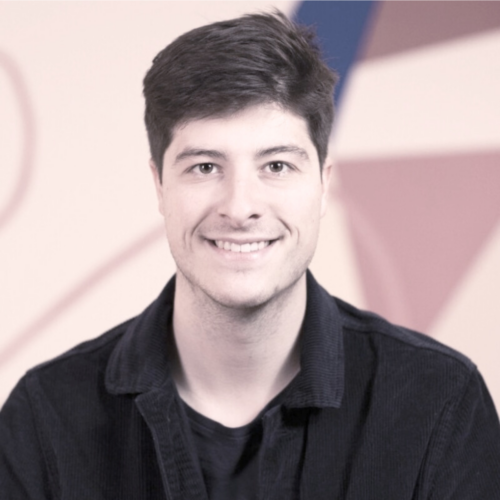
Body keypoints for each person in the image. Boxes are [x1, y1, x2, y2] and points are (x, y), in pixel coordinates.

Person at [1, 11, 499, 500]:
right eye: (204, 167)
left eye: (276, 165)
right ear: (159, 185)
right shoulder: (45, 419)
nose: (239, 208)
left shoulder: (439, 404)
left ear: (323, 183)